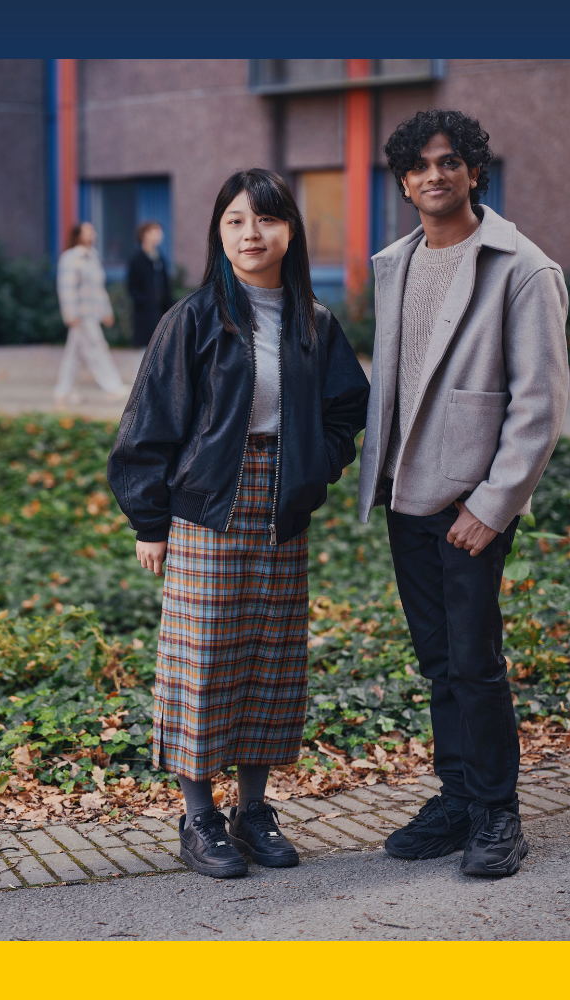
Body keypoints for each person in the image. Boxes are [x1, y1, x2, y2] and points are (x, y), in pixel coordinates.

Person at [109, 169, 369, 878]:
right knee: (204, 662)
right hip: (205, 509)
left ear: (291, 230)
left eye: (266, 220)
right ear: (218, 232)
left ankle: (253, 811)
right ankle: (200, 819)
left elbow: (349, 409)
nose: (251, 234)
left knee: (269, 659)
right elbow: (149, 423)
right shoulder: (192, 319)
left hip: (282, 506)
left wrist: (318, 464)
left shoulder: (313, 322)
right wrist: (149, 519)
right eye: (235, 221)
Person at [357, 110, 568, 878]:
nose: (434, 175)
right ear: (404, 182)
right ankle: (458, 797)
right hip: (405, 498)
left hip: (470, 504)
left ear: (475, 171)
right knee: (438, 660)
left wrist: (492, 504)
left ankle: (498, 814)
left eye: (450, 162)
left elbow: (539, 406)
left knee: (475, 660)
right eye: (418, 166)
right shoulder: (396, 263)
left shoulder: (522, 267)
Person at [54, 221, 127, 405]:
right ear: (77, 235)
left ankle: (63, 391)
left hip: (92, 313)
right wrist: (70, 314)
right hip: (81, 314)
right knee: (97, 349)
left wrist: (106, 312)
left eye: (92, 231)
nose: (91, 234)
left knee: (74, 355)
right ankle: (113, 387)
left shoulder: (93, 257)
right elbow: (66, 288)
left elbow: (98, 289)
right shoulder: (71, 258)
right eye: (87, 231)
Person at [126, 220, 175, 350]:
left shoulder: (160, 259)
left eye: (159, 232)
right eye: (155, 232)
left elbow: (166, 286)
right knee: (146, 347)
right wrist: (143, 301)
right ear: (144, 235)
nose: (159, 236)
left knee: (162, 345)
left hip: (161, 310)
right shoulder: (137, 260)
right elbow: (132, 287)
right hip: (145, 312)